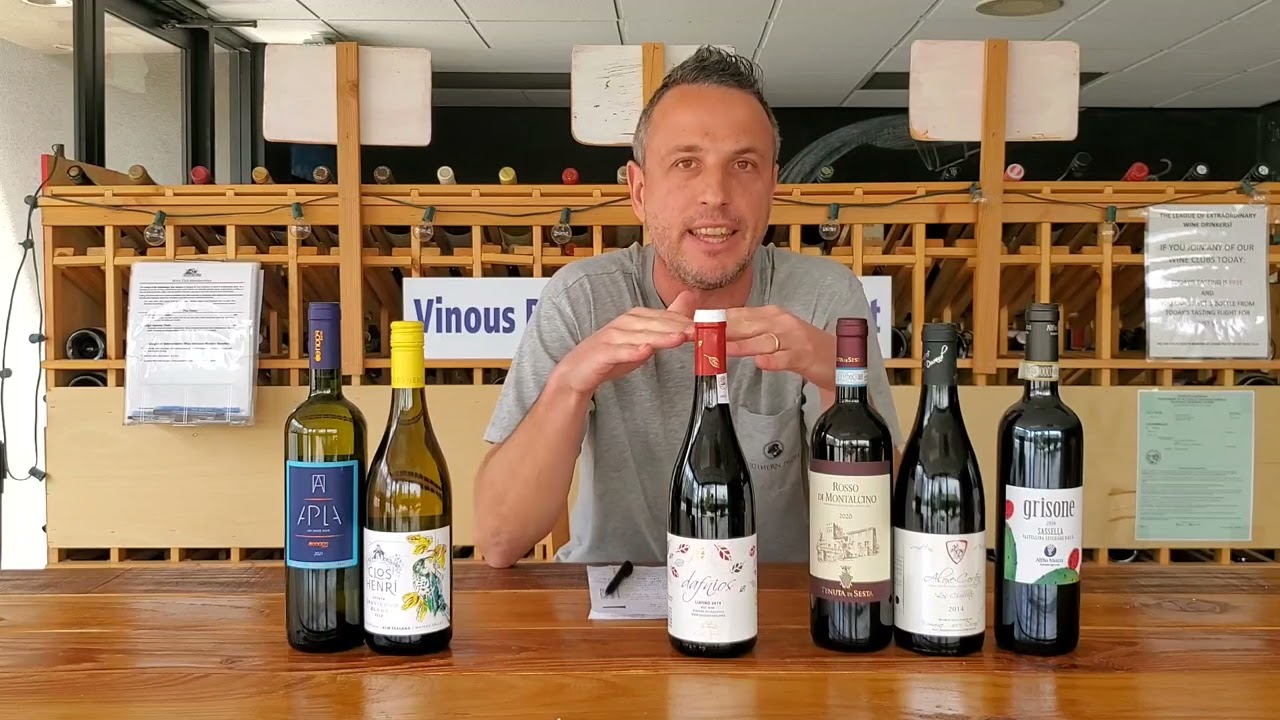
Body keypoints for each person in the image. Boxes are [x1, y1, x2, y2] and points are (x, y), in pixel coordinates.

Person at [474, 46, 901, 568]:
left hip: (773, 603)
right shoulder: (581, 297)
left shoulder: (826, 296)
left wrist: (838, 381)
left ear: (772, 187)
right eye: (686, 163)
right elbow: (499, 540)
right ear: (639, 190)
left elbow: (885, 531)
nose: (715, 194)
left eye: (743, 165)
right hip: (612, 601)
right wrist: (571, 384)